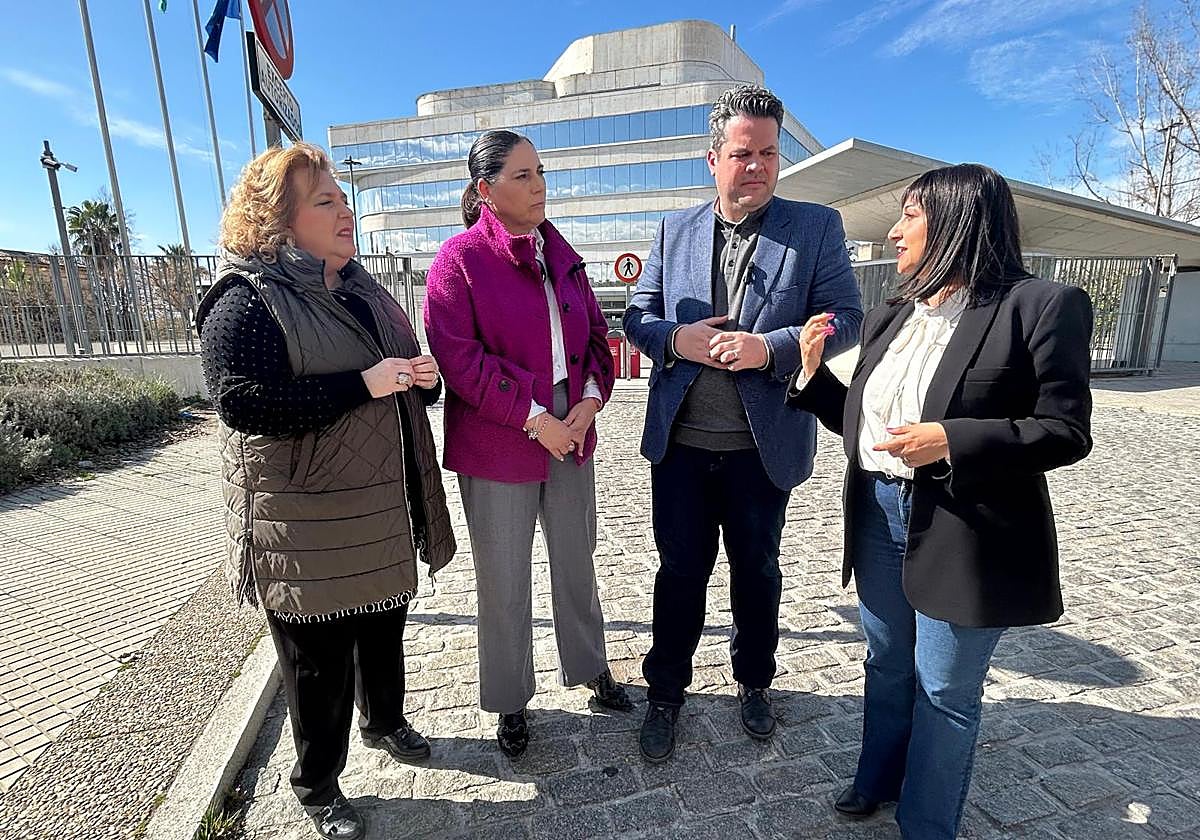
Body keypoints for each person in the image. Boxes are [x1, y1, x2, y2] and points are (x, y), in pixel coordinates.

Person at [786, 163, 1093, 839]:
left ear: (958, 220)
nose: (894, 232)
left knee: (946, 691)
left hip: (966, 528)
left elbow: (1066, 431)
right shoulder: (890, 315)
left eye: (910, 216)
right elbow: (871, 428)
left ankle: (925, 826)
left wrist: (953, 440)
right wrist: (812, 381)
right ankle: (877, 780)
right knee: (886, 662)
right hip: (875, 512)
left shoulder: (1042, 304)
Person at [196, 143, 456, 840]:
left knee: (384, 630)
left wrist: (421, 380)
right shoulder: (245, 299)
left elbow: (397, 383)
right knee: (318, 669)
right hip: (305, 526)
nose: (345, 211)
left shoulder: (365, 287)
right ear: (278, 221)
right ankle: (316, 784)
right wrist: (360, 386)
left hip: (381, 504)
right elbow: (242, 403)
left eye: (342, 198)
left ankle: (385, 721)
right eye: (325, 201)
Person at [623, 84, 865, 763]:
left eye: (767, 153)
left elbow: (847, 318)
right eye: (741, 153)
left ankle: (754, 682)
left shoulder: (815, 228)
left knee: (757, 571)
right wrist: (675, 339)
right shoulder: (675, 228)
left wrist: (773, 348)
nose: (755, 165)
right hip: (681, 445)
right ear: (713, 158)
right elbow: (638, 316)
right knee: (679, 572)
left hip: (765, 447)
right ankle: (665, 692)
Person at [423, 129, 631, 759]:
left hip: (573, 431)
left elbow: (597, 339)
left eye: (540, 172)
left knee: (577, 559)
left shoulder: (562, 255)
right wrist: (539, 419)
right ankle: (510, 699)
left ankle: (591, 668)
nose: (539, 185)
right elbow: (461, 362)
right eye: (522, 175)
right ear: (486, 189)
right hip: (501, 438)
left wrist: (588, 405)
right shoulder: (456, 262)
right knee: (503, 578)